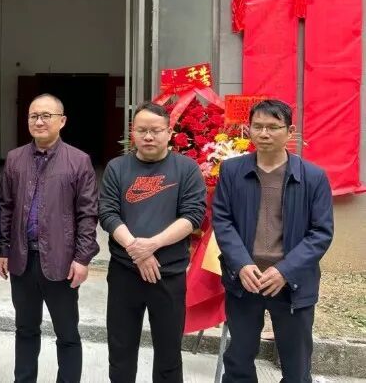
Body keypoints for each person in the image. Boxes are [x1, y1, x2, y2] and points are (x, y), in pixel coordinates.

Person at [212, 99, 333, 383]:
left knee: (296, 365)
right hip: (246, 280)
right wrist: (241, 264)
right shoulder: (232, 171)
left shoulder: (313, 177)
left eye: (273, 127)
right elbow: (223, 221)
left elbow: (321, 233)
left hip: (292, 284)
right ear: (248, 129)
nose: (264, 133)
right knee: (239, 359)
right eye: (258, 126)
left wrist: (284, 271)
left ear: (290, 131)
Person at [98, 101, 206, 383]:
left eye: (156, 131)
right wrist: (138, 251)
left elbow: (193, 216)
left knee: (169, 354)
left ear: (169, 132)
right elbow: (107, 213)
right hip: (124, 273)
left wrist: (152, 245)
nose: (148, 137)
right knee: (120, 351)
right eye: (142, 130)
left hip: (169, 274)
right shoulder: (117, 168)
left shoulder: (186, 169)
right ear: (132, 132)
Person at [0, 93, 99, 382]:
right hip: (22, 260)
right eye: (33, 116)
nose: (39, 121)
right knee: (25, 330)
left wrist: (82, 258)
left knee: (67, 333)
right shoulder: (15, 158)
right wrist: (3, 249)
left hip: (61, 261)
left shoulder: (78, 161)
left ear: (62, 121)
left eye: (46, 116)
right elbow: (5, 207)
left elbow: (88, 214)